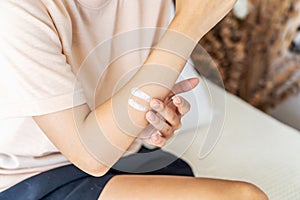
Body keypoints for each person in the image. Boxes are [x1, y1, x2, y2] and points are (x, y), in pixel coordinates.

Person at [0, 0, 268, 199]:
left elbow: (116, 100)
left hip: (118, 159)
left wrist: (147, 119)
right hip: (29, 177)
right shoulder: (17, 10)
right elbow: (89, 156)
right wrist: (188, 25)